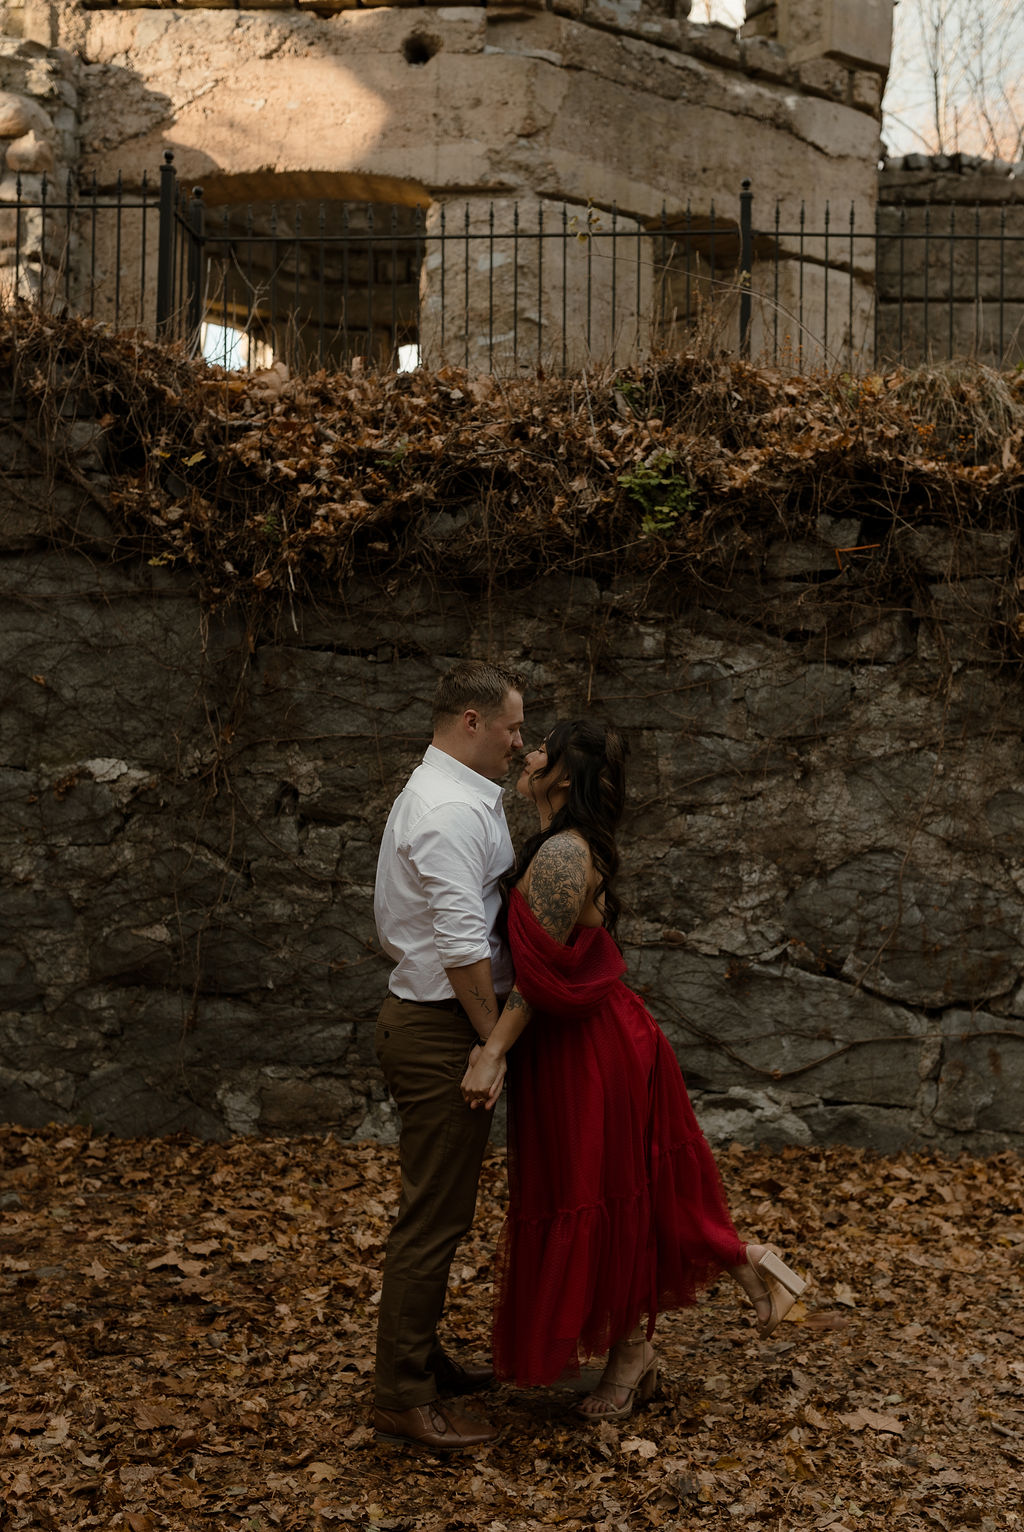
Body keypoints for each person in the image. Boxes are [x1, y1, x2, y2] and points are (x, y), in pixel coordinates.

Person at [461, 719, 807, 1419]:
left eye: (541, 747)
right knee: (611, 1194)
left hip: (594, 1050)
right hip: (576, 1045)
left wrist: (492, 1050)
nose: (526, 753)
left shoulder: (562, 856)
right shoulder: (553, 844)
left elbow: (538, 978)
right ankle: (743, 1263)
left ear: (562, 774)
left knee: (608, 1196)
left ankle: (633, 1350)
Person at [371, 659, 525, 1451]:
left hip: (444, 1018)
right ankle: (401, 1394)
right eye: (511, 728)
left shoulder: (465, 794)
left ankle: (419, 1358)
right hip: (440, 1025)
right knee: (433, 1217)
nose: (520, 743)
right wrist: (492, 1043)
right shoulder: (443, 811)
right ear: (472, 722)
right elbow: (464, 946)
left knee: (442, 1209)